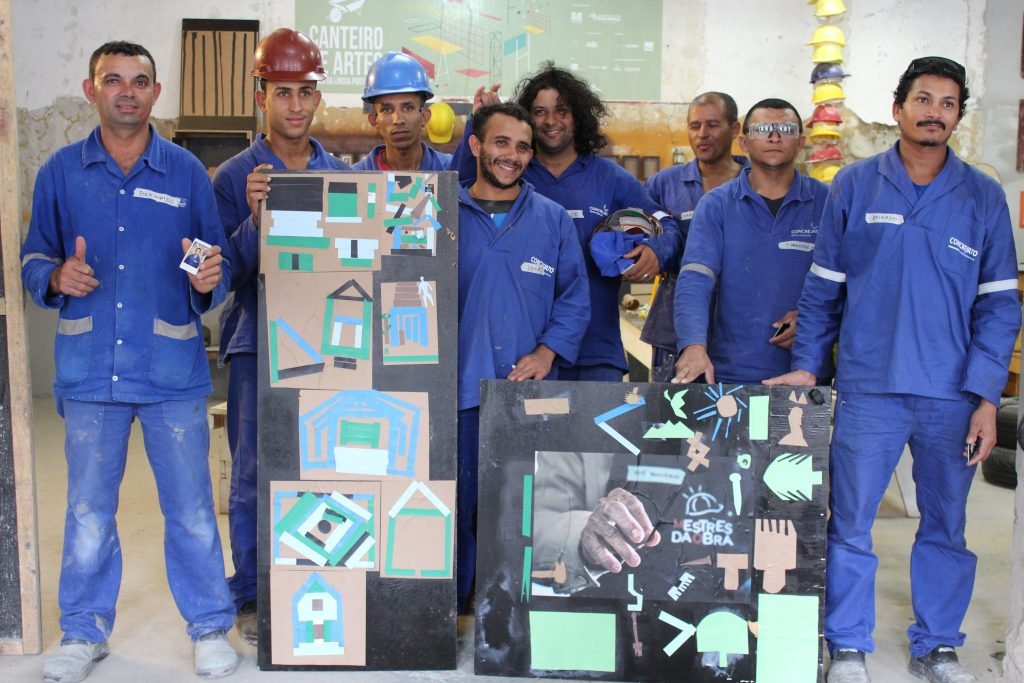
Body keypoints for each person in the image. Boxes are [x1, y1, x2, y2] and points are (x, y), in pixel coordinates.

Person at [766, 57, 1021, 683]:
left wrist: (987, 395)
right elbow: (822, 289)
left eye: (949, 103)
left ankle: (937, 644)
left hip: (952, 395)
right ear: (899, 106)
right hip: (868, 388)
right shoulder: (855, 187)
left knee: (947, 526)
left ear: (959, 115)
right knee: (849, 523)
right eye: (923, 99)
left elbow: (999, 305)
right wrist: (807, 367)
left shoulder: (983, 197)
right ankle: (847, 645)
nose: (935, 111)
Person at [21, 41, 238, 681]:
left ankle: (208, 628)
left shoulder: (186, 176)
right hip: (91, 371)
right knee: (88, 509)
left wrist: (208, 280)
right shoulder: (61, 172)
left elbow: (214, 269)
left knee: (193, 508)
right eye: (113, 80)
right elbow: (34, 260)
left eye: (139, 81)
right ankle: (82, 632)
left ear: (155, 93)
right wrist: (58, 275)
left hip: (170, 372)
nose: (127, 91)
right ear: (91, 90)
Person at [212, 27, 350, 645]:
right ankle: (249, 594)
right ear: (261, 93)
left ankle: (317, 579)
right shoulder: (232, 176)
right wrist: (253, 219)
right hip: (255, 344)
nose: (294, 106)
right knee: (251, 476)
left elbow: (356, 266)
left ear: (316, 99)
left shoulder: (338, 174)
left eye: (304, 93)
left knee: (323, 465)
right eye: (282, 92)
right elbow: (218, 276)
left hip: (325, 349)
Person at [458, 62, 681, 381]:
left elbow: (667, 225)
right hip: (524, 354)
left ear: (578, 114)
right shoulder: (512, 173)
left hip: (595, 350)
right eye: (538, 111)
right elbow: (459, 189)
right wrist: (478, 123)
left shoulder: (611, 179)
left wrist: (657, 250)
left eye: (561, 110)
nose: (550, 121)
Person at [457, 101, 590, 610]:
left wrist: (546, 351)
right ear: (475, 145)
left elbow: (575, 298)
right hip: (459, 392)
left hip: (526, 397)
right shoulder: (441, 213)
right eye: (500, 142)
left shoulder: (552, 220)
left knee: (521, 510)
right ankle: (460, 608)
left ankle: (511, 617)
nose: (511, 155)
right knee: (458, 504)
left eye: (522, 146)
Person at [673, 98, 829, 385]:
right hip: (729, 374)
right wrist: (693, 345)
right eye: (763, 129)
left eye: (784, 128)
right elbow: (696, 278)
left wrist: (812, 322)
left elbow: (849, 283)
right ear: (743, 143)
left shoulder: (828, 203)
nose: (774, 136)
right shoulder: (716, 205)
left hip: (806, 375)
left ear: (801, 142)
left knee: (793, 431)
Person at [641, 92, 747, 382]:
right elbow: (637, 231)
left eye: (712, 125)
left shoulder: (755, 181)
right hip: (673, 331)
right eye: (694, 126)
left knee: (733, 422)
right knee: (670, 422)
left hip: (742, 331)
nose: (702, 134)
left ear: (734, 129)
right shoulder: (665, 183)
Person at [353, 51, 452, 171]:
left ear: (424, 117)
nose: (398, 120)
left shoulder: (453, 171)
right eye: (387, 109)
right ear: (374, 120)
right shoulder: (355, 179)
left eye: (407, 108)